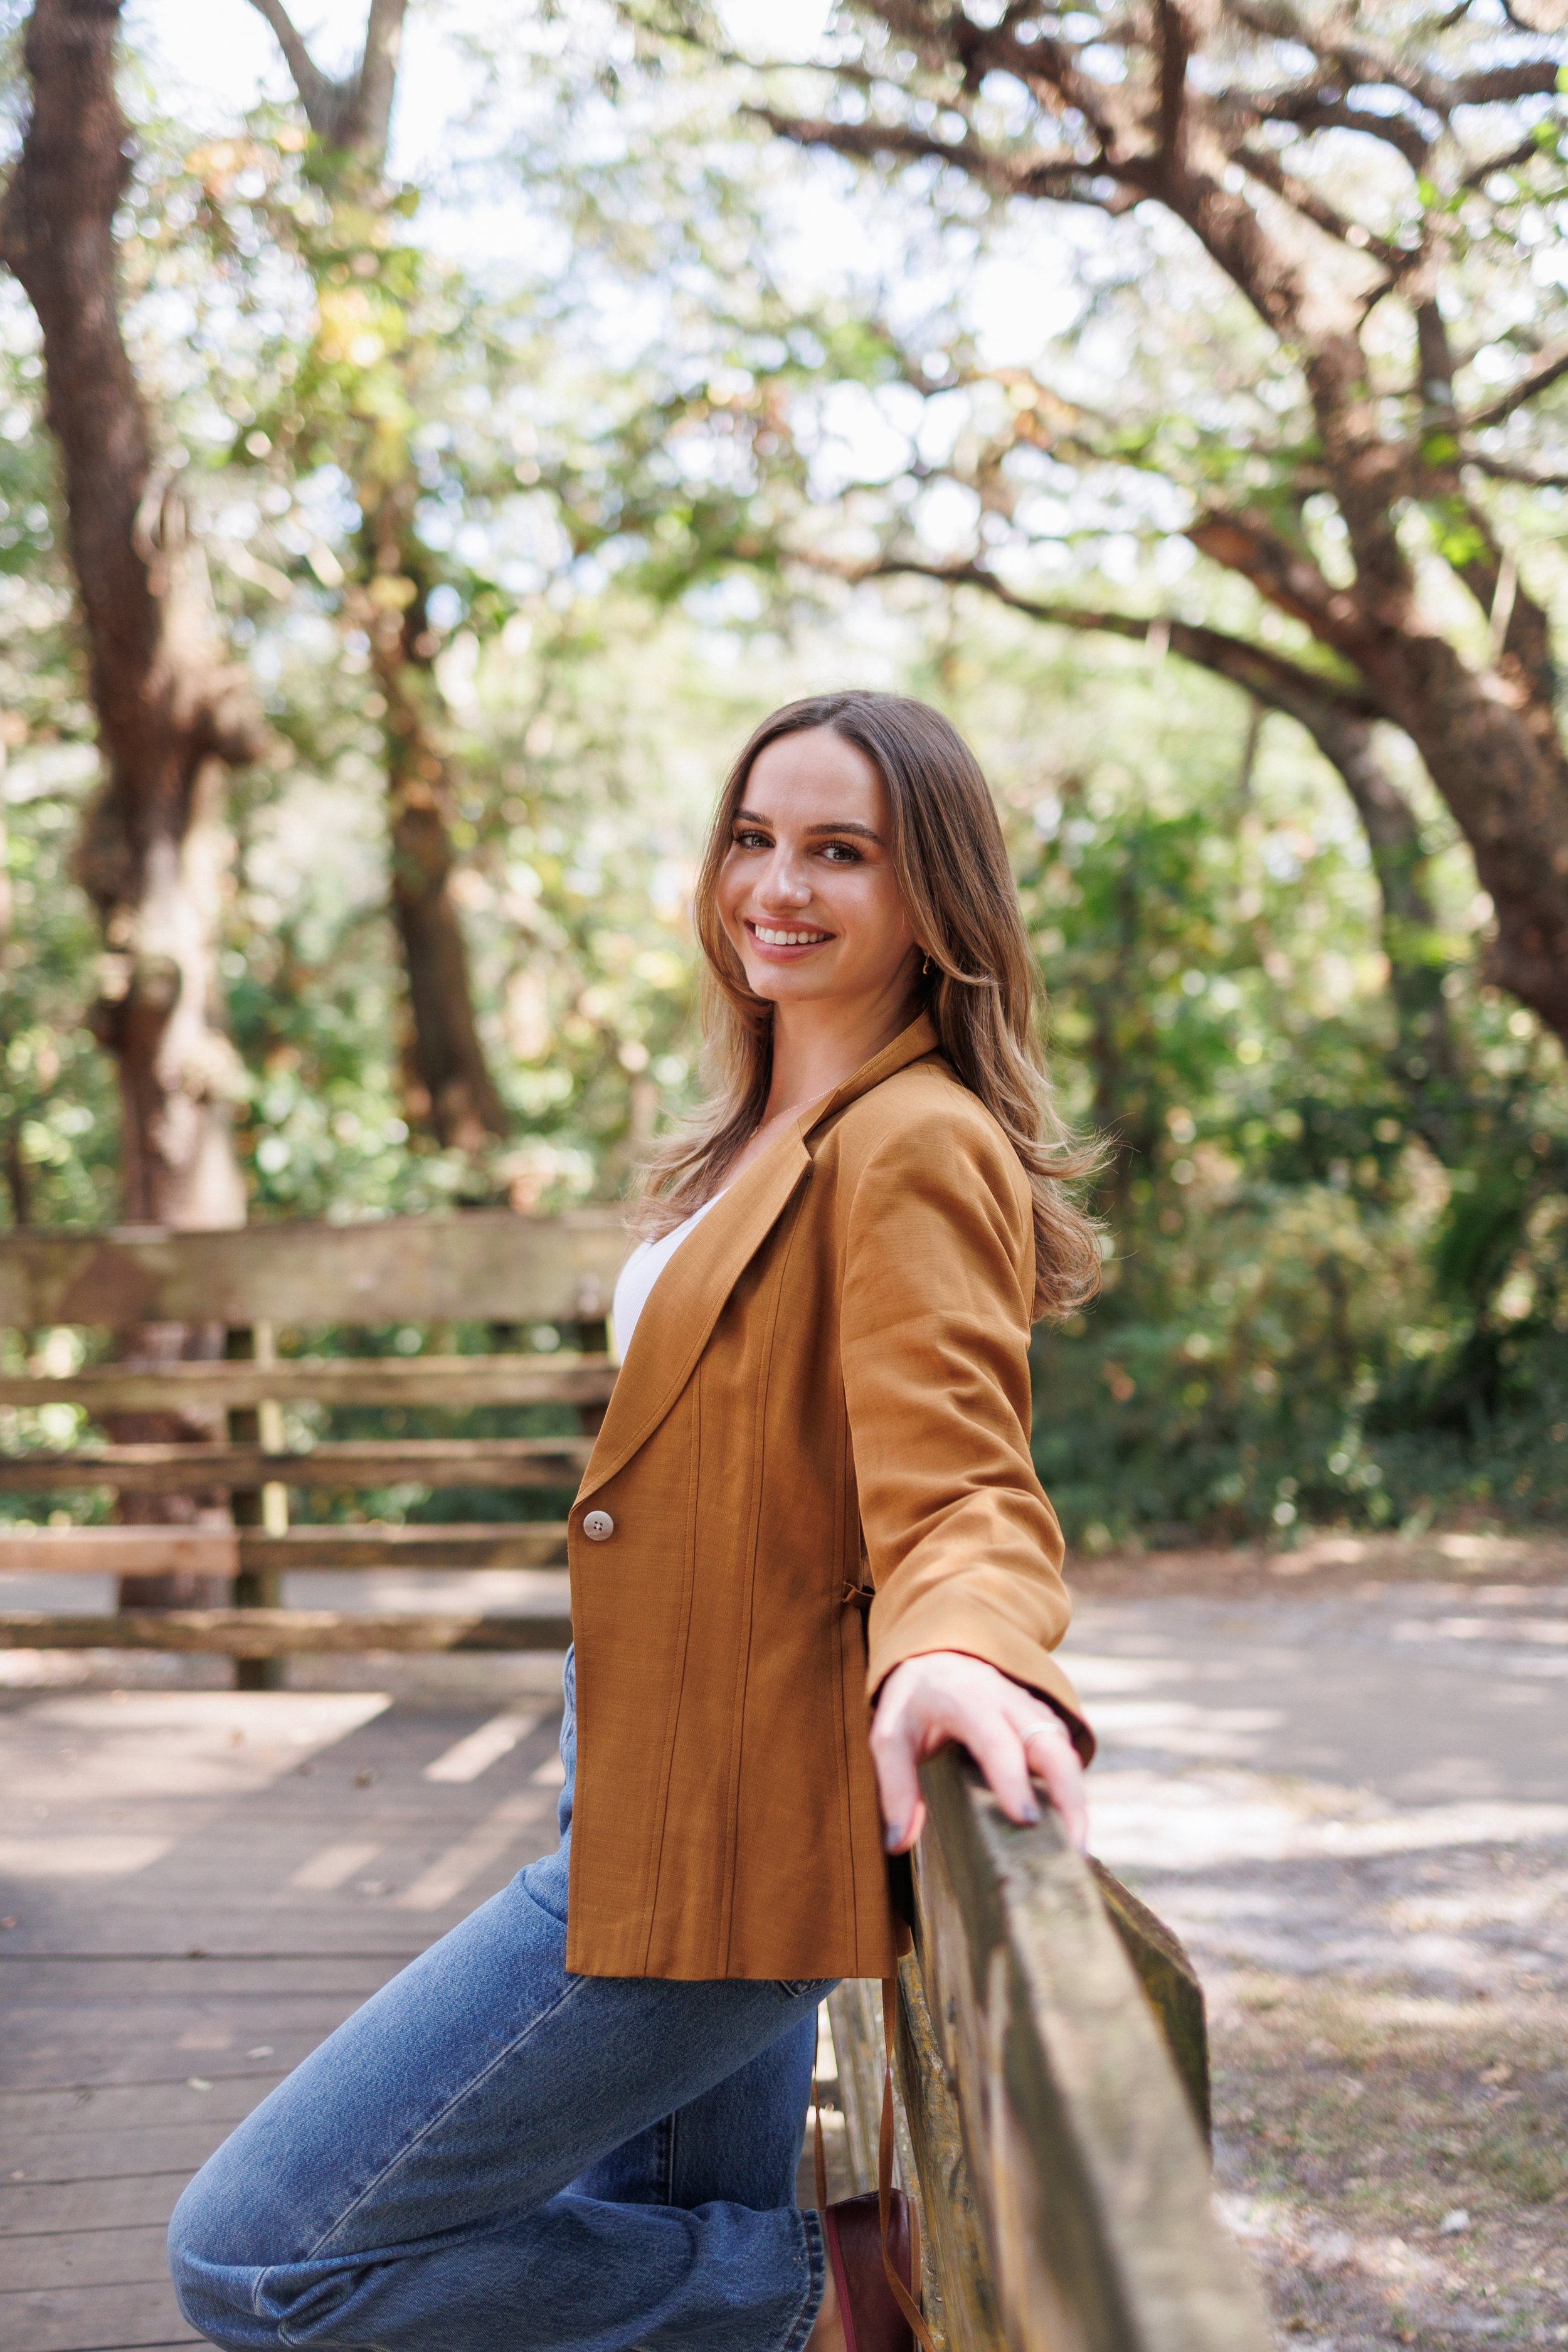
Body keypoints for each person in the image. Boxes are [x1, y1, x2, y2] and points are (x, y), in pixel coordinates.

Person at [169, 690, 1101, 2352]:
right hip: (650, 1791)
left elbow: (960, 1474)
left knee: (259, 2261)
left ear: (934, 900)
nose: (776, 885)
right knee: (637, 2259)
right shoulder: (766, 1130)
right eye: (753, 837)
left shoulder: (911, 1141)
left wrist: (957, 1652)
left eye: (840, 852)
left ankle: (849, 2292)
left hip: (730, 1842)